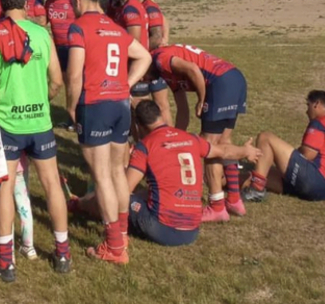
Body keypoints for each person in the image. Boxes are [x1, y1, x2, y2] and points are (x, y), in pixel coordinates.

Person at [0, 0, 70, 283]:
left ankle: (6, 262)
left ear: (1, 5)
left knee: (4, 190)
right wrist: (42, 99)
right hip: (40, 123)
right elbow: (57, 80)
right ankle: (63, 252)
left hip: (7, 125)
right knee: (52, 185)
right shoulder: (43, 33)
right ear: (28, 4)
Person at [72, 101, 261, 246]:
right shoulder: (190, 138)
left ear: (138, 125)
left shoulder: (145, 146)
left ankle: (77, 205)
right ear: (160, 116)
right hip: (192, 229)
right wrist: (246, 152)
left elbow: (124, 191)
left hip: (163, 228)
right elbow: (222, 151)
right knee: (151, 192)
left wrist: (86, 201)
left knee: (112, 196)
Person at [67, 0, 151, 264]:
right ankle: (122, 234)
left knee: (101, 175)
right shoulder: (115, 28)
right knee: (118, 171)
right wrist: (126, 85)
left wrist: (70, 106)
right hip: (119, 106)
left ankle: (114, 246)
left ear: (78, 2)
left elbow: (74, 74)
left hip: (95, 104)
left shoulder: (79, 27)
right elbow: (144, 56)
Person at [150, 44, 248, 222]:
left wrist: (201, 100)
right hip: (234, 77)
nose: (143, 80)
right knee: (224, 140)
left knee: (208, 146)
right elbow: (182, 111)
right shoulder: (166, 73)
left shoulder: (160, 59)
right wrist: (174, 141)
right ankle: (234, 199)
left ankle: (217, 206)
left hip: (220, 82)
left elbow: (193, 69)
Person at [242, 91, 325, 202]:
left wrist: (281, 159)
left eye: (308, 105)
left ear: (317, 104)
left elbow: (307, 154)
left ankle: (256, 189)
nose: (306, 111)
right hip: (320, 191)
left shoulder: (319, 122)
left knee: (265, 138)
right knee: (258, 174)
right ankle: (222, 179)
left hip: (314, 179)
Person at [131, 0, 172, 125]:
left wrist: (164, 40)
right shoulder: (133, 4)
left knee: (160, 104)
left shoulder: (148, 4)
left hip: (151, 58)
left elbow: (162, 21)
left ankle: (168, 137)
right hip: (146, 57)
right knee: (145, 106)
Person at [44, 0, 75, 127]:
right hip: (57, 48)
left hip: (72, 47)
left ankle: (74, 117)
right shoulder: (49, 2)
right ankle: (70, 116)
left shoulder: (71, 0)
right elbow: (43, 22)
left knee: (73, 82)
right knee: (60, 82)